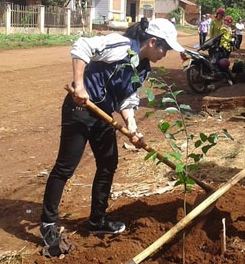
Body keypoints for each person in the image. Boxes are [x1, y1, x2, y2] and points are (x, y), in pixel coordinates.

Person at [40, 18, 184, 247]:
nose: (165, 54)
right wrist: (80, 85)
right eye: (165, 48)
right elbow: (82, 47)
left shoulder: (144, 68)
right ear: (153, 42)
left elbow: (127, 98)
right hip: (81, 108)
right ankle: (47, 224)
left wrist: (132, 127)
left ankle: (97, 220)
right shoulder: (121, 45)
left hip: (103, 114)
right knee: (66, 167)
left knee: (108, 164)